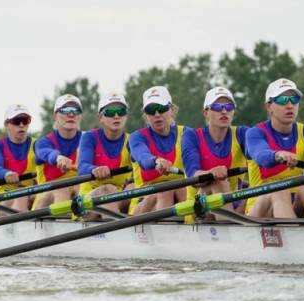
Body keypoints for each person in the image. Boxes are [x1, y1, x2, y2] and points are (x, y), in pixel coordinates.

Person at [245, 78, 304, 219]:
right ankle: (296, 234)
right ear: (269, 106)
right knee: (279, 189)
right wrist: (277, 155)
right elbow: (261, 156)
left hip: (294, 204)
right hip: (259, 208)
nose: (290, 105)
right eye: (283, 100)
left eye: (294, 99)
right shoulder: (255, 133)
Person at [182, 87, 248, 220]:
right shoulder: (191, 136)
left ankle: (230, 224)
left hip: (234, 203)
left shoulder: (242, 133)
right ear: (206, 112)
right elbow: (193, 176)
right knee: (218, 182)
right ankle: (229, 230)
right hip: (197, 206)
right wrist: (212, 173)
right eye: (217, 106)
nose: (224, 111)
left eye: (229, 106)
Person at [128, 86, 188, 214]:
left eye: (161, 109)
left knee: (182, 189)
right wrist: (156, 161)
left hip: (181, 196)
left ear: (171, 110)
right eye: (151, 110)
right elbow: (143, 157)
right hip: (143, 202)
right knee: (165, 191)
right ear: (146, 115)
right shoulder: (137, 137)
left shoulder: (187, 134)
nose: (156, 114)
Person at [77, 92, 133, 220]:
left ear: (126, 116)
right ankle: (117, 233)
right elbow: (82, 167)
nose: (117, 116)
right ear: (100, 117)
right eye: (110, 112)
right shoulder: (89, 137)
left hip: (120, 196)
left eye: (121, 111)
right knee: (107, 189)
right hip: (89, 198)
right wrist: (94, 170)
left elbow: (142, 162)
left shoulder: (132, 140)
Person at [33, 94, 83, 209]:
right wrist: (58, 158)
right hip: (47, 197)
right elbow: (46, 153)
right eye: (65, 110)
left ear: (80, 116)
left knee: (82, 187)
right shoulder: (43, 142)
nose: (71, 114)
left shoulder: (88, 140)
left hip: (78, 192)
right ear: (55, 116)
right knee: (62, 190)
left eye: (76, 110)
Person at [0, 104, 37, 213]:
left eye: (25, 120)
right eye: (17, 121)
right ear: (7, 124)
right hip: (3, 195)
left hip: (29, 193)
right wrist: (6, 174)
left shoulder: (36, 144)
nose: (21, 125)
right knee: (20, 199)